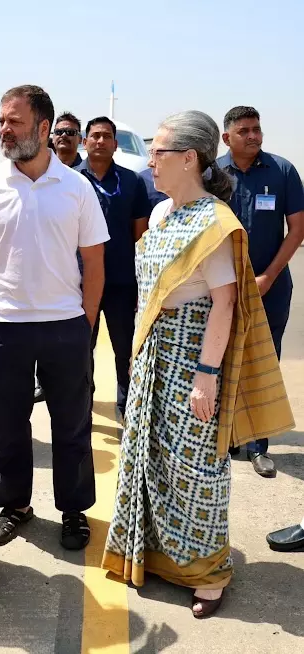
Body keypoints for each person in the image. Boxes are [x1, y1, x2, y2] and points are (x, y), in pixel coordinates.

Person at [102, 110, 294, 618]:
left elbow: (224, 305)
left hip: (192, 360)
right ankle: (161, 558)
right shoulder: (163, 214)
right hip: (153, 358)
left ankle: (207, 573)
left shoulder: (215, 221)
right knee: (152, 459)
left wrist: (206, 378)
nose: (152, 163)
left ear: (189, 158)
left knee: (196, 467)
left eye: (159, 153)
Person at [0, 85, 109, 550]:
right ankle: (14, 505)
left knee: (71, 424)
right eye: (1, 121)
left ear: (43, 129)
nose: (4, 130)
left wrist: (83, 325)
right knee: (5, 425)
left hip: (65, 326)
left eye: (14, 121)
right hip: (3, 328)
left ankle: (73, 510)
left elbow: (95, 262)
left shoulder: (77, 186)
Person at [217, 107, 304, 478]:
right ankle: (226, 439)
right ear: (227, 138)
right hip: (222, 287)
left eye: (257, 129)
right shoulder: (212, 174)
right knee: (220, 358)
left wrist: (268, 276)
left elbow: (297, 230)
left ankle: (258, 446)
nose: (254, 136)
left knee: (264, 362)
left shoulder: (282, 171)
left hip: (270, 287)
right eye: (245, 131)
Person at [76, 116, 151, 418]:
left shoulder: (131, 181)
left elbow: (141, 232)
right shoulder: (71, 179)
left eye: (107, 136)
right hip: (80, 281)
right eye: (94, 136)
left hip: (122, 281)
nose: (100, 141)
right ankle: (83, 402)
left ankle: (126, 404)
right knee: (82, 346)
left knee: (125, 348)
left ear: (115, 144)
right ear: (85, 142)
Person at [33, 111, 84, 404]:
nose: (64, 136)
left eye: (70, 132)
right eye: (59, 132)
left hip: (80, 275)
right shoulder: (36, 174)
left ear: (80, 139)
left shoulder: (83, 179)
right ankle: (42, 383)